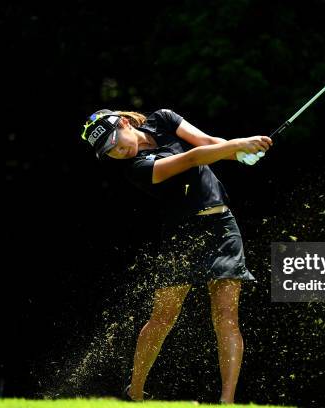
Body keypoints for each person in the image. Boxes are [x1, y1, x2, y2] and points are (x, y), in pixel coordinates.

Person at [80, 108, 273, 404]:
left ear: (125, 123)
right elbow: (192, 158)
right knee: (163, 317)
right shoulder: (136, 169)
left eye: (117, 142)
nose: (119, 152)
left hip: (223, 227)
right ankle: (136, 391)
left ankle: (227, 400)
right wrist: (236, 145)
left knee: (226, 317)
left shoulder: (164, 119)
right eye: (111, 152)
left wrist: (242, 153)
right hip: (183, 236)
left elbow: (206, 142)